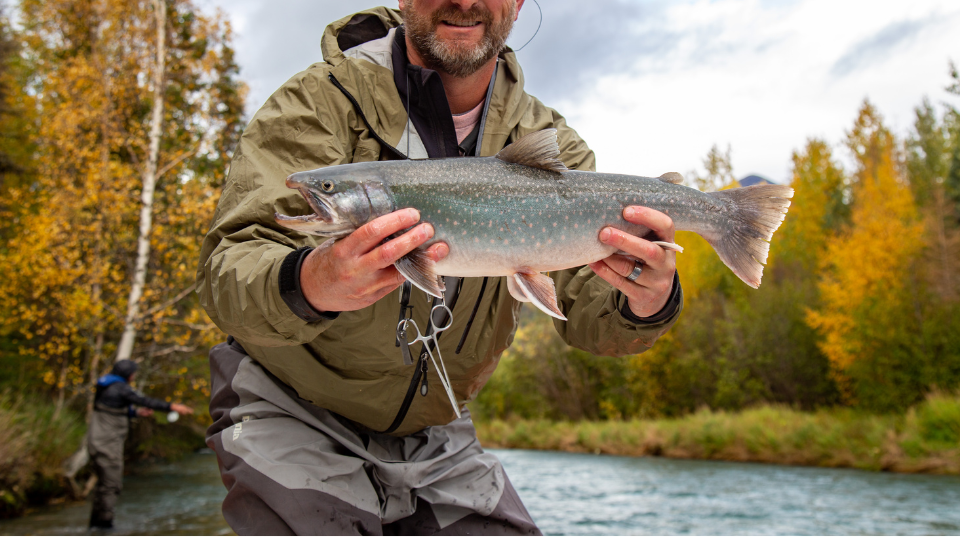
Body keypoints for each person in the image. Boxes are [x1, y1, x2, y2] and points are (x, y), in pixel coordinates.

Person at [196, 0, 683, 534]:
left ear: (518, 3)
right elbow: (227, 272)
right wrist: (312, 283)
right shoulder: (317, 103)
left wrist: (648, 298)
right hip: (291, 406)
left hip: (437, 428)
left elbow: (592, 315)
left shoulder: (550, 139)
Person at [87, 359, 194, 530]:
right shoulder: (121, 388)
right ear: (129, 375)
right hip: (107, 446)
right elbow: (146, 401)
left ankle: (94, 525)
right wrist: (172, 406)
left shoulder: (106, 386)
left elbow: (112, 409)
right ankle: (104, 526)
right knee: (111, 484)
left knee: (102, 485)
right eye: (133, 374)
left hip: (95, 443)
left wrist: (136, 413)